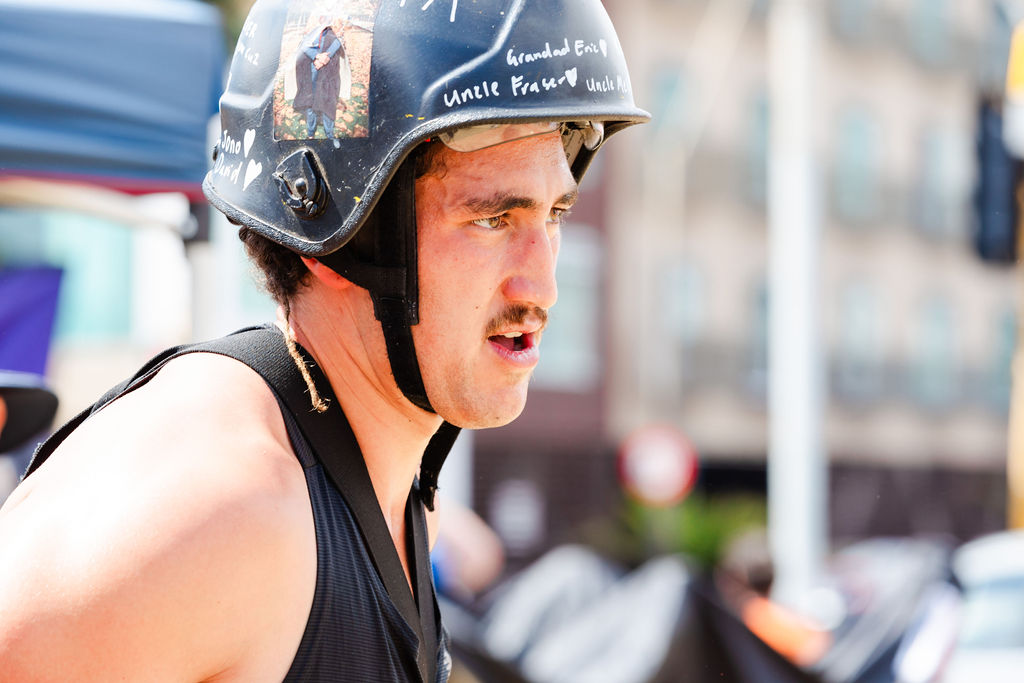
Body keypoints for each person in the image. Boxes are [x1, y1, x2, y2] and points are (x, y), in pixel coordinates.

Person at [0, 0, 648, 680]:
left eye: (555, 214)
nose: (542, 286)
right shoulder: (213, 507)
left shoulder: (377, 492)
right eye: (493, 219)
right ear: (340, 238)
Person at [293, 15, 348, 139]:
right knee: (310, 102)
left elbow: (337, 44)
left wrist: (323, 60)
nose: (325, 22)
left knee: (327, 102)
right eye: (323, 19)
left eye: (327, 19)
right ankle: (311, 132)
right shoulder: (312, 34)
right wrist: (317, 56)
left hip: (327, 75)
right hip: (311, 73)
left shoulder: (333, 35)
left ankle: (329, 134)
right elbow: (304, 46)